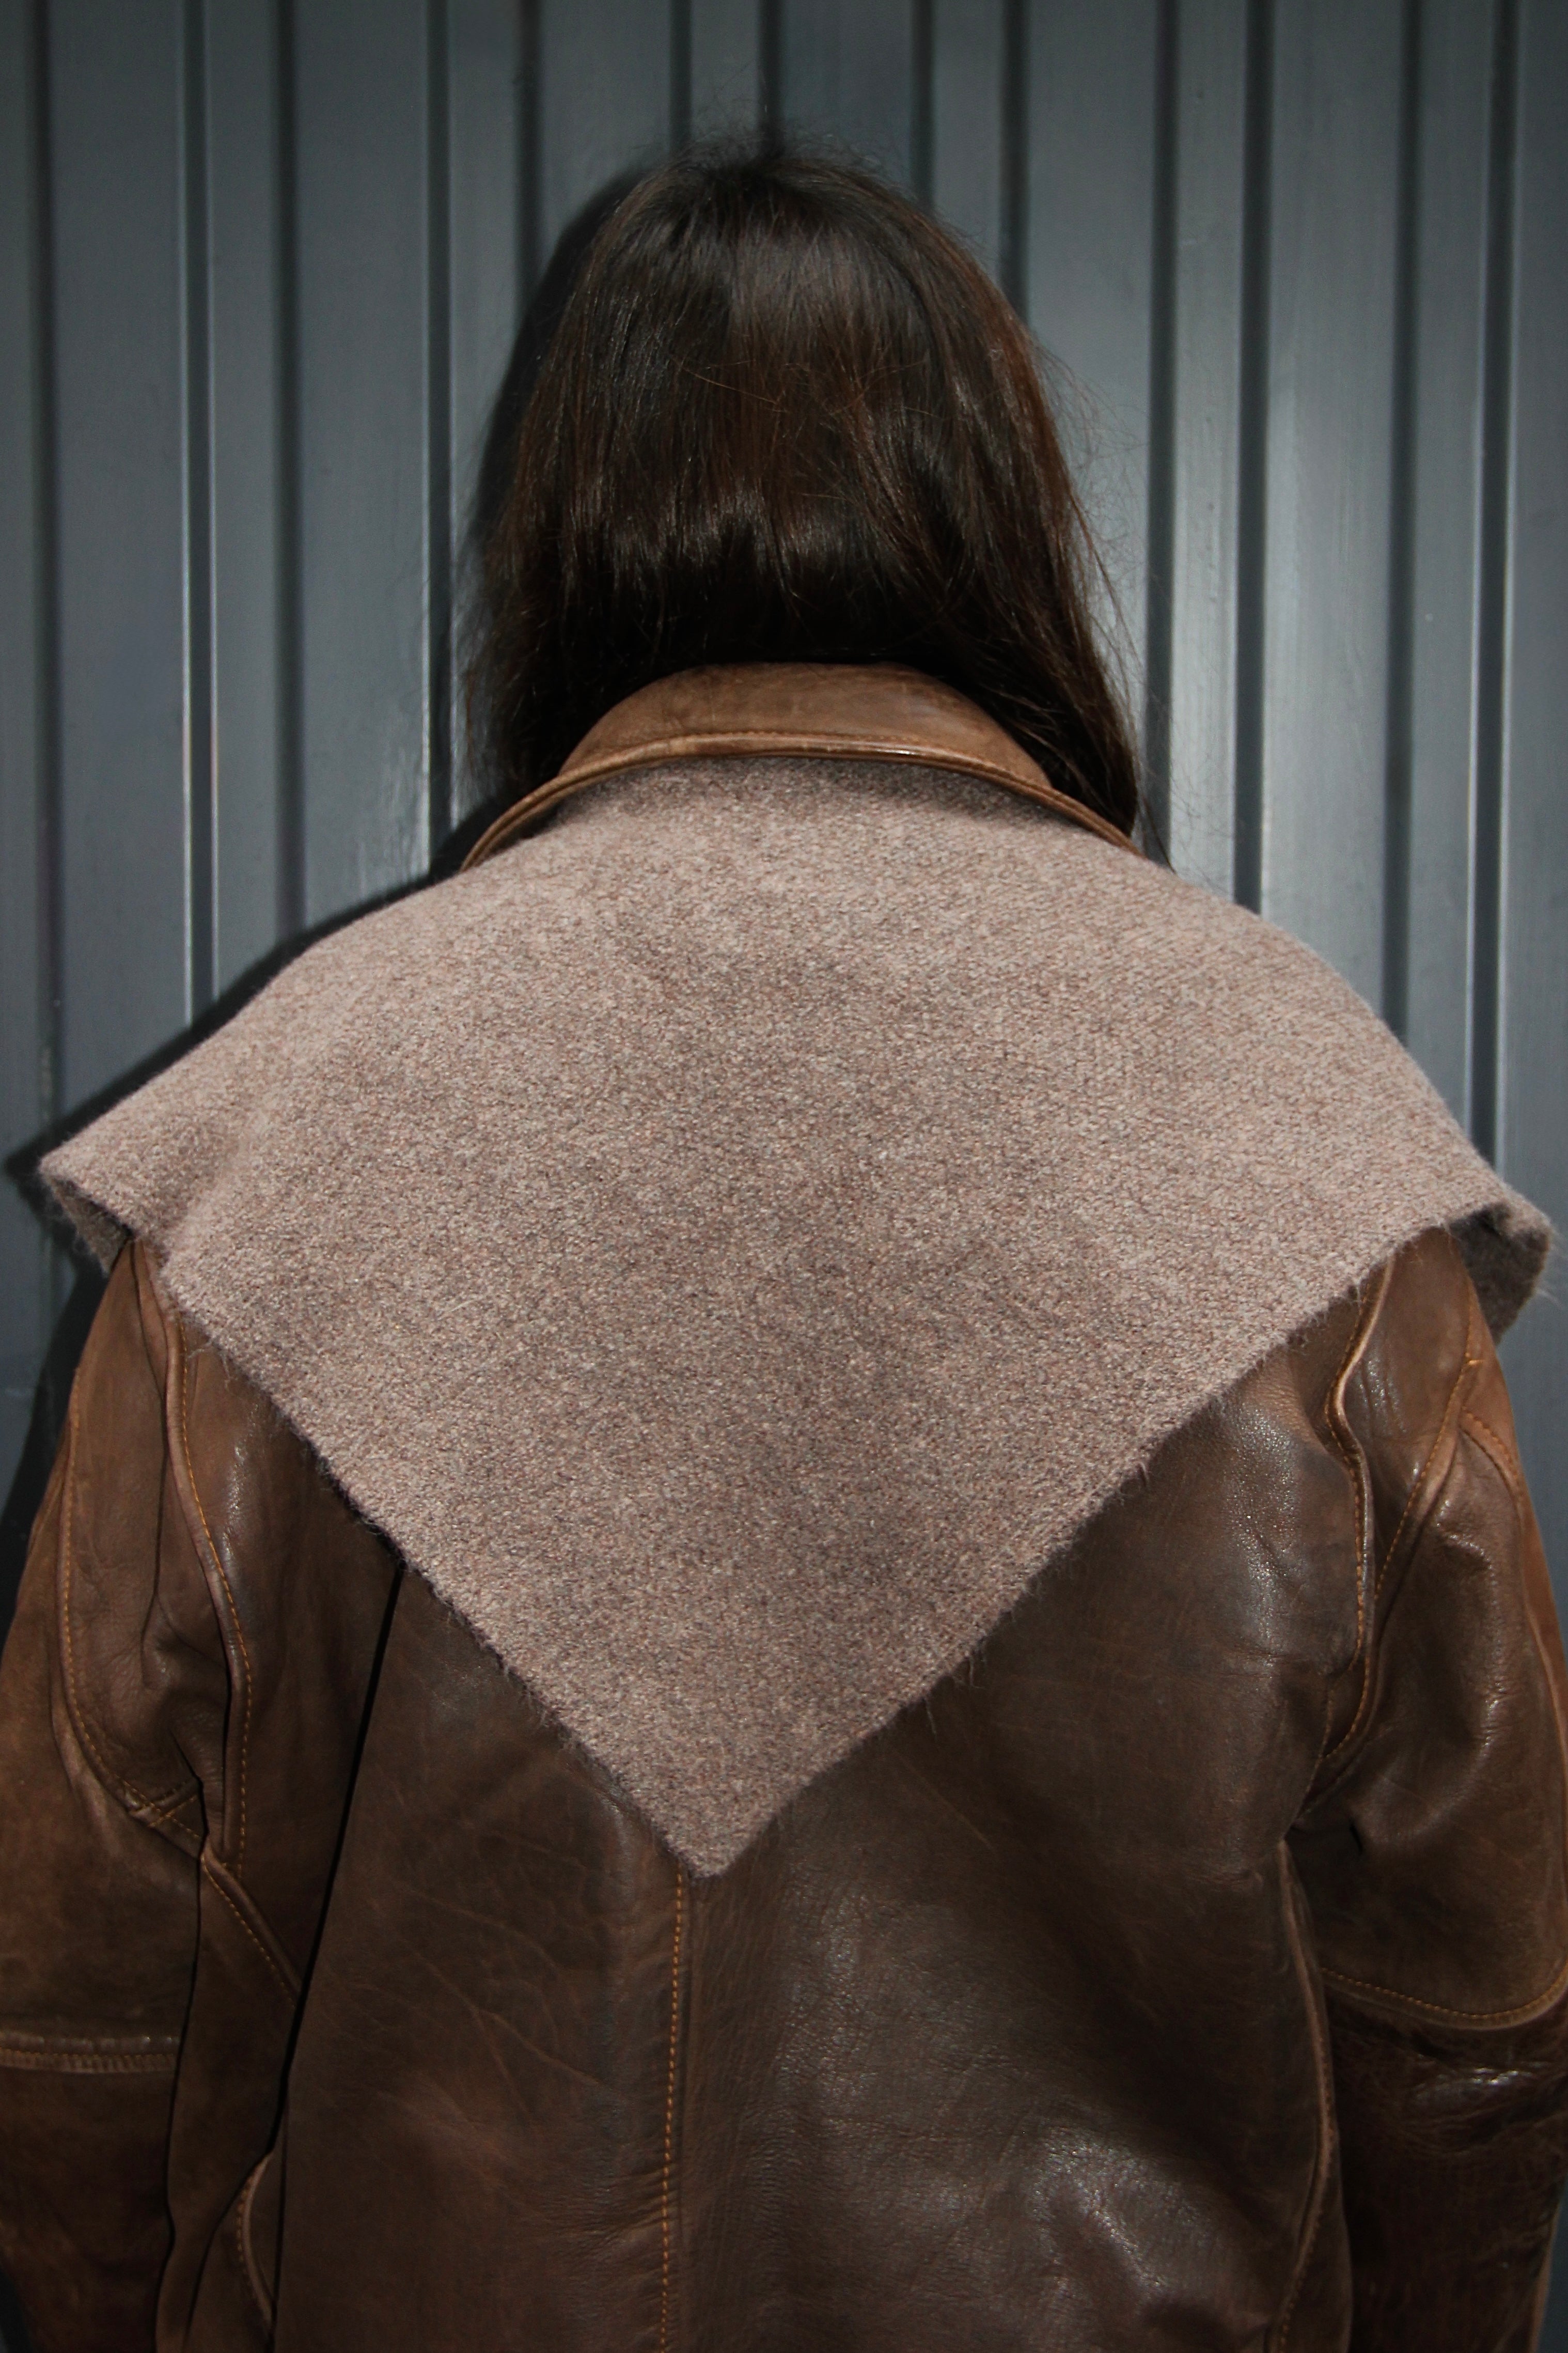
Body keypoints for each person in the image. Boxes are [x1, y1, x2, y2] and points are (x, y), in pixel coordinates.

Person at [2, 142, 1566, 2353]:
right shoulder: (1301, 1131)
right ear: (1003, 532)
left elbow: (80, 2022)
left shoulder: (294, 1133)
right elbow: (1468, 2040)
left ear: (565, 547)